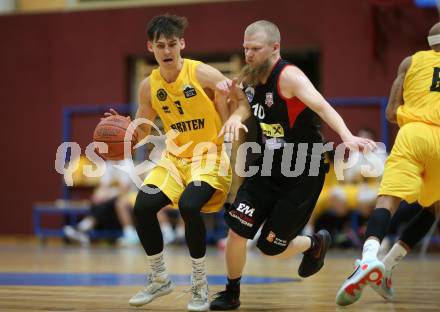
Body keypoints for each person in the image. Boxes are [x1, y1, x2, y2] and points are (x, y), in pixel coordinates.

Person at [210, 20, 376, 310]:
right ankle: (231, 292)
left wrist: (347, 135)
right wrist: (235, 111)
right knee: (237, 231)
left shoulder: (289, 77)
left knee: (270, 249)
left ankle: (314, 244)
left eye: (255, 48)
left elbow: (322, 105)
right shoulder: (249, 77)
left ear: (275, 48)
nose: (248, 54)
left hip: (303, 168)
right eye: (245, 47)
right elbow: (246, 105)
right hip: (266, 164)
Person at [108, 14, 249, 311]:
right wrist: (124, 130)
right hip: (174, 158)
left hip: (209, 156)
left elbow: (242, 100)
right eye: (161, 46)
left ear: (182, 43)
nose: (167, 51)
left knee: (188, 205)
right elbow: (144, 130)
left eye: (173, 44)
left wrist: (233, 114)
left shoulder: (202, 73)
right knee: (142, 207)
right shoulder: (148, 86)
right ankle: (159, 278)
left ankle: (199, 284)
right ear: (151, 47)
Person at [335, 22, 440, 306]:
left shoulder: (410, 62)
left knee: (388, 200)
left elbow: (392, 113)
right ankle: (389, 266)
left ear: (430, 44)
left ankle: (369, 259)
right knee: (433, 208)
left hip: (413, 134)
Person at [63, 159, 139, 246]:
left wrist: (108, 194)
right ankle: (84, 229)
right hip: (112, 201)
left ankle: (83, 227)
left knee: (113, 202)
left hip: (130, 197)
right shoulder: (109, 165)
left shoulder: (127, 164)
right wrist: (98, 196)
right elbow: (103, 186)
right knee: (98, 202)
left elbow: (124, 189)